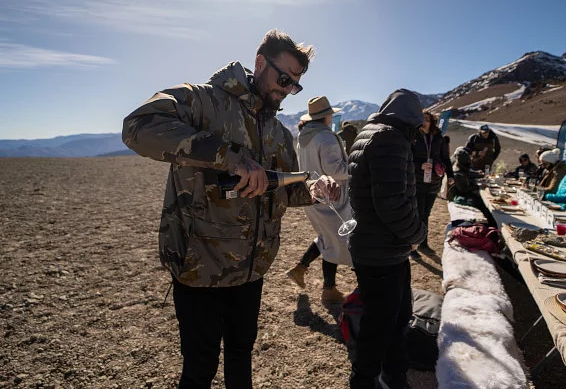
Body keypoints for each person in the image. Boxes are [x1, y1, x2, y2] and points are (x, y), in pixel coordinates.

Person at [122, 29, 339, 389]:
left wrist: (314, 190)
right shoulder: (203, 101)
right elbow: (138, 126)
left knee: (241, 357)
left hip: (250, 272)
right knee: (199, 370)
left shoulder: (277, 131)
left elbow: (285, 188)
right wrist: (229, 158)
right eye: (283, 79)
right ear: (259, 63)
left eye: (294, 86)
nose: (286, 90)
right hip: (200, 268)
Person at [347, 89, 427, 389]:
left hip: (378, 247)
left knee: (396, 318)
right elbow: (392, 204)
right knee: (381, 326)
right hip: (382, 250)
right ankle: (364, 381)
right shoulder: (390, 139)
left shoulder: (371, 133)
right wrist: (417, 234)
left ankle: (395, 376)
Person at [286, 96, 352, 304]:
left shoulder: (304, 138)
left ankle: (300, 268)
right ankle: (329, 291)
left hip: (313, 196)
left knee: (327, 237)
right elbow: (335, 170)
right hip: (333, 197)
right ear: (326, 116)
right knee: (336, 244)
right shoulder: (326, 137)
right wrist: (355, 168)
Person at [410, 110, 454, 257]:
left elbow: (445, 158)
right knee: (418, 213)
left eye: (427, 119)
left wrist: (451, 174)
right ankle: (412, 247)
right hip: (417, 180)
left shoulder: (438, 138)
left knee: (426, 214)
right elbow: (407, 158)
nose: (424, 121)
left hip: (433, 181)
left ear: (432, 121)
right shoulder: (413, 136)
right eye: (422, 118)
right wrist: (419, 165)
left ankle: (423, 242)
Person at [447, 147, 498, 228]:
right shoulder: (458, 173)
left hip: (462, 194)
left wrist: (479, 175)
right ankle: (491, 226)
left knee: (482, 201)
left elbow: (469, 173)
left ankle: (492, 224)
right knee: (483, 205)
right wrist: (478, 186)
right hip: (459, 197)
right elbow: (464, 189)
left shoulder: (461, 167)